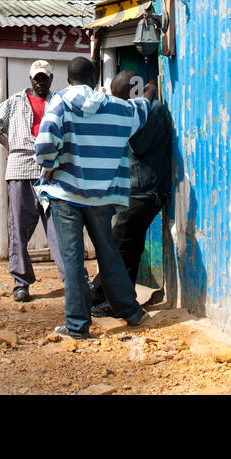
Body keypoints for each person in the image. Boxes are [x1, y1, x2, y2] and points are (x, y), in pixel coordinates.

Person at [35, 56, 150, 340]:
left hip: (67, 194)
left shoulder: (60, 102)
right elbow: (142, 110)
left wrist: (51, 165)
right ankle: (132, 312)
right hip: (101, 196)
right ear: (95, 76)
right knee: (108, 254)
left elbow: (45, 143)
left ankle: (77, 326)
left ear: (67, 78)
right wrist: (150, 90)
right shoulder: (116, 107)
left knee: (73, 260)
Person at [0, 59, 79, 302]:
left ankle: (73, 281)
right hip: (21, 171)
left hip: (52, 173)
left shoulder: (59, 103)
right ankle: (21, 282)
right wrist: (10, 145)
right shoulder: (15, 102)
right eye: (37, 78)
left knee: (60, 230)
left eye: (44, 78)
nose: (40, 82)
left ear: (51, 79)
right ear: (31, 79)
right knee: (19, 230)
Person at [92, 76, 174, 315]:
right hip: (138, 191)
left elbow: (139, 144)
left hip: (146, 192)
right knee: (127, 246)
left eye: (120, 98)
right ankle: (104, 298)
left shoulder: (153, 111)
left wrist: (143, 104)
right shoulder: (140, 110)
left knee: (119, 247)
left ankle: (113, 300)